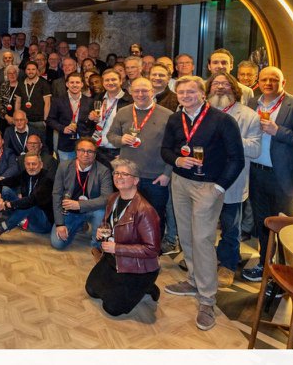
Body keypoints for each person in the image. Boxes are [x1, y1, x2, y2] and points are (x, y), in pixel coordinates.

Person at [161, 75, 244, 331]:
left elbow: (237, 159)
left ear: (202, 93)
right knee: (186, 236)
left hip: (208, 187)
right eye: (182, 92)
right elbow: (166, 150)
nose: (186, 96)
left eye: (191, 92)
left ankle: (207, 299)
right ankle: (193, 280)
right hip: (180, 183)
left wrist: (219, 188)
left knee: (202, 240)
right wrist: (177, 160)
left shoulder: (223, 120)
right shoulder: (175, 119)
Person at [242, 67, 293, 282]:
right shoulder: (252, 104)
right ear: (258, 82)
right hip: (256, 174)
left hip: (283, 177)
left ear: (283, 82)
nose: (268, 83)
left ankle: (283, 273)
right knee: (262, 223)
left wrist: (278, 131)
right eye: (264, 79)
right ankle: (265, 264)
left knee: (284, 227)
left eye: (274, 79)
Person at [85, 159, 162, 316]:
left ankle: (147, 286)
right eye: (116, 173)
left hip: (138, 266)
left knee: (112, 308)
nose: (119, 177)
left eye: (125, 174)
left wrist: (117, 248)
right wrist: (101, 230)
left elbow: (152, 249)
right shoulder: (113, 198)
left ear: (136, 180)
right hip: (114, 258)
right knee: (91, 290)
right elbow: (108, 222)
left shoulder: (145, 210)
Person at [205, 72, 261, 287]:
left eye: (226, 84)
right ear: (209, 89)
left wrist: (230, 139)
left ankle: (227, 265)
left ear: (235, 89)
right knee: (203, 225)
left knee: (230, 227)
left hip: (232, 181)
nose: (220, 87)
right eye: (216, 83)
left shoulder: (248, 115)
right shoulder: (200, 112)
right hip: (203, 180)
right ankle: (204, 261)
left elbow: (255, 149)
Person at [106, 78, 173, 250]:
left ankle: (153, 252)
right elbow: (111, 136)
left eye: (145, 90)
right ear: (130, 92)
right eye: (136, 91)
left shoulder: (167, 115)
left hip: (156, 177)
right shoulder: (123, 112)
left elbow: (174, 147)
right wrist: (121, 139)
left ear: (152, 92)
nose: (140, 94)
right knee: (127, 215)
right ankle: (129, 250)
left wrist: (167, 173)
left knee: (155, 217)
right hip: (128, 176)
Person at [0, 152, 54, 246]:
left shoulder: (48, 178)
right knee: (5, 190)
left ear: (41, 165)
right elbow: (0, 183)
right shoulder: (25, 174)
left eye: (34, 164)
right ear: (24, 164)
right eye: (28, 164)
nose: (31, 167)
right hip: (25, 212)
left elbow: (32, 201)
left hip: (42, 222)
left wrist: (7, 205)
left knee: (29, 205)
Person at [50, 138, 113, 251]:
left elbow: (106, 198)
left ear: (95, 154)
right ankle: (79, 224)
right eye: (82, 150)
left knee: (101, 211)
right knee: (57, 243)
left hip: (91, 210)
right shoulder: (64, 166)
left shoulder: (103, 171)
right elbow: (56, 195)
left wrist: (79, 205)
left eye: (90, 151)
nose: (85, 154)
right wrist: (60, 224)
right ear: (76, 152)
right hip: (69, 211)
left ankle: (96, 245)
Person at [89, 68, 132, 167]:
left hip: (117, 150)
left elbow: (133, 128)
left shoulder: (130, 101)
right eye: (107, 80)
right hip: (98, 148)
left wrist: (126, 151)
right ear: (103, 83)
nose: (110, 82)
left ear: (120, 81)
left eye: (113, 79)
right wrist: (91, 119)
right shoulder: (98, 98)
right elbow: (90, 125)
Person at [47, 72, 95, 162]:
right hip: (65, 143)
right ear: (67, 84)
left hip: (84, 143)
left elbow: (92, 124)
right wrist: (63, 128)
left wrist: (93, 120)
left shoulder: (90, 101)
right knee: (66, 169)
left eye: (77, 82)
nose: (75, 85)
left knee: (83, 168)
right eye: (72, 82)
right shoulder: (58, 101)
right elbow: (50, 120)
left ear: (82, 84)